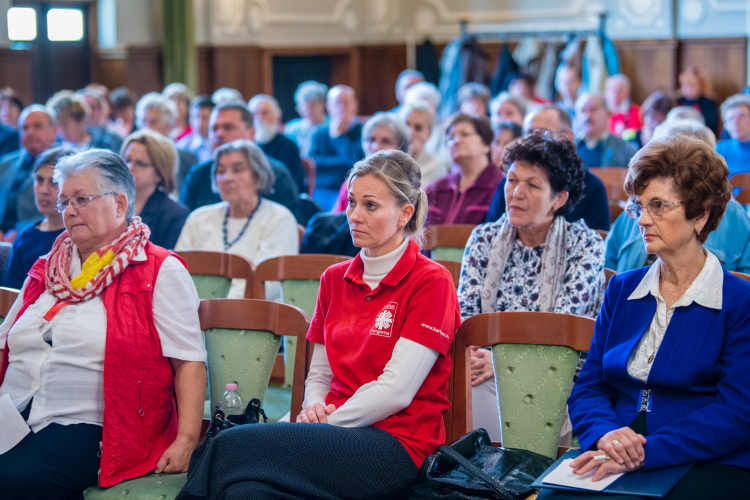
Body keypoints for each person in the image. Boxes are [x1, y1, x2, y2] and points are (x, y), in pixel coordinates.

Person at [177, 150, 460, 500]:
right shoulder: (334, 278)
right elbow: (320, 375)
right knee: (244, 490)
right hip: (328, 431)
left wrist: (324, 422)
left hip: (397, 444)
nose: (354, 216)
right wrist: (313, 410)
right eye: (352, 202)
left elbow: (396, 391)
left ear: (405, 213)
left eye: (370, 206)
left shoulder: (431, 281)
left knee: (227, 445)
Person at [0, 149, 207, 498]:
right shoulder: (46, 268)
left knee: (16, 479)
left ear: (120, 204)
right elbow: (5, 341)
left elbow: (188, 361)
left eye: (81, 199)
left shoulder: (157, 269)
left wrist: (186, 442)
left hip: (96, 426)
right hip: (14, 411)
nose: (69, 210)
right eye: (64, 201)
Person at [566, 136, 750, 497]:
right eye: (638, 206)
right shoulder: (622, 288)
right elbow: (589, 387)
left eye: (658, 206)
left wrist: (645, 453)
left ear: (701, 215)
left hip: (708, 459)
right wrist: (607, 434)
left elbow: (735, 413)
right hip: (615, 448)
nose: (642, 220)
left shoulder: (739, 301)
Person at [458, 129, 605, 442]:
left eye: (532, 185)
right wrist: (482, 360)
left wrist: (498, 364)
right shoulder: (483, 239)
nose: (515, 193)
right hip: (483, 374)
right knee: (462, 387)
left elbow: (560, 329)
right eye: (511, 180)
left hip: (559, 379)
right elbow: (465, 319)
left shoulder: (585, 245)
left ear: (559, 198)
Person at [606, 119, 750, 274]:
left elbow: (744, 279)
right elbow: (608, 261)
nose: (642, 220)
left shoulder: (733, 214)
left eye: (659, 205)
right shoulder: (637, 207)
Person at [176, 140, 298, 300]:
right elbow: (177, 272)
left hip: (254, 316)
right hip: (194, 311)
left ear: (257, 175)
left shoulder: (279, 218)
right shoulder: (199, 217)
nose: (227, 178)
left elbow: (268, 284)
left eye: (237, 170)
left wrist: (215, 310)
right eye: (220, 171)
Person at [486, 105, 612, 231]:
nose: (533, 141)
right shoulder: (510, 182)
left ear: (567, 136)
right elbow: (492, 229)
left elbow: (599, 237)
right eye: (528, 134)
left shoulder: (592, 186)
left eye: (542, 134)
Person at [178, 102, 300, 217]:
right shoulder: (198, 174)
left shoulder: (275, 175)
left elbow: (286, 226)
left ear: (252, 133)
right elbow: (186, 224)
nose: (219, 134)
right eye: (214, 129)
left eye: (228, 127)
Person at [4, 147, 71, 289]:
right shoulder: (25, 236)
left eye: (54, 183)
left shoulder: (78, 235)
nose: (43, 190)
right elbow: (11, 296)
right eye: (39, 180)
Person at [426, 114, 502, 225]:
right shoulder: (436, 188)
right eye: (451, 138)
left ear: (486, 144)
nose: (456, 141)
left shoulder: (500, 186)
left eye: (465, 134)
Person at [121, 129, 190, 249]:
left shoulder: (174, 214)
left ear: (159, 172)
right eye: (127, 160)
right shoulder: (108, 201)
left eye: (140, 163)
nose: (130, 167)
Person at [332, 112, 409, 212]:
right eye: (371, 139)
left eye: (385, 141)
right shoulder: (353, 182)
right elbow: (335, 221)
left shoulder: (409, 187)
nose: (376, 147)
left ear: (401, 148)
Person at [0, 105, 59, 238]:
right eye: (25, 128)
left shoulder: (66, 163)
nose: (30, 132)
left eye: (37, 126)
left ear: (54, 130)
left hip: (40, 234)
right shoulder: (5, 163)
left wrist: (22, 232)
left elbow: (64, 208)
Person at [309, 85, 364, 210]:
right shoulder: (320, 133)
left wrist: (338, 137)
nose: (342, 107)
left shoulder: (364, 132)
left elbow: (356, 163)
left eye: (346, 102)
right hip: (322, 189)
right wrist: (342, 164)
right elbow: (314, 162)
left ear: (355, 105)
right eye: (337, 103)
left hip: (352, 191)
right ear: (328, 107)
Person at [135, 92, 198, 193]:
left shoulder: (188, 159)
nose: (146, 128)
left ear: (169, 127)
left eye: (153, 122)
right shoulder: (130, 158)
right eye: (143, 121)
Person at [248, 94, 305, 193]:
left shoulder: (288, 146)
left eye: (264, 113)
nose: (259, 118)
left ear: (277, 116)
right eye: (254, 114)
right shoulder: (248, 146)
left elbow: (291, 182)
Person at [575, 93, 637, 169]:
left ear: (607, 113)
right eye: (582, 111)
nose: (587, 116)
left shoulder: (625, 149)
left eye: (593, 110)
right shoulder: (570, 147)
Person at [46, 91, 121, 153]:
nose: (61, 131)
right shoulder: (54, 149)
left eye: (66, 124)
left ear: (81, 119)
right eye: (59, 126)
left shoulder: (106, 144)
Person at [400, 100, 450, 186]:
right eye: (406, 125)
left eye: (418, 128)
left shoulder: (437, 166)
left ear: (429, 135)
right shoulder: (388, 159)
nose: (410, 132)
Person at [284, 80, 329, 157]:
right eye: (304, 106)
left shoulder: (331, 126)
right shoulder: (292, 128)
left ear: (323, 105)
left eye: (313, 105)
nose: (309, 110)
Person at [676, 65, 719, 135]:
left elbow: (712, 126)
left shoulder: (709, 103)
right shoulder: (677, 101)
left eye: (693, 85)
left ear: (700, 85)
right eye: (686, 85)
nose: (689, 89)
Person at [716, 94, 750, 177]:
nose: (735, 123)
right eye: (730, 119)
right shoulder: (718, 150)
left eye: (741, 117)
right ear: (726, 125)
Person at [176, 95, 214, 163]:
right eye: (194, 117)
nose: (198, 123)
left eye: (204, 118)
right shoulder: (182, 146)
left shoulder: (219, 143)